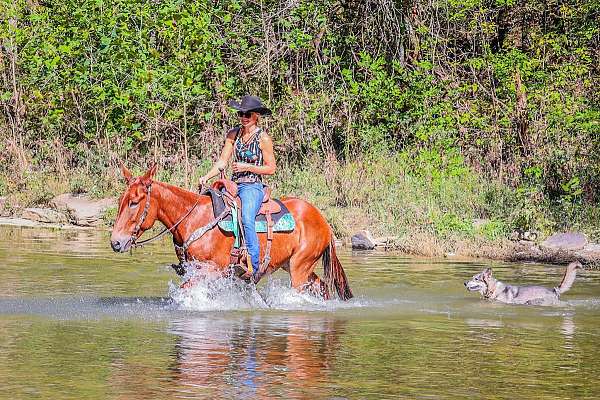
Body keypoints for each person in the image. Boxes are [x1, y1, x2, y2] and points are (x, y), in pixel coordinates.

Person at [199, 95, 277, 280]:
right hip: (233, 184)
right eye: (241, 113)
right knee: (210, 210)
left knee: (247, 218)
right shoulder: (233, 134)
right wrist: (206, 177)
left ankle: (253, 266)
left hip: (253, 186)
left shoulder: (263, 138)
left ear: (256, 115)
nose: (243, 117)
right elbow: (222, 162)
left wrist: (247, 167)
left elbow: (271, 168)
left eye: (247, 114)